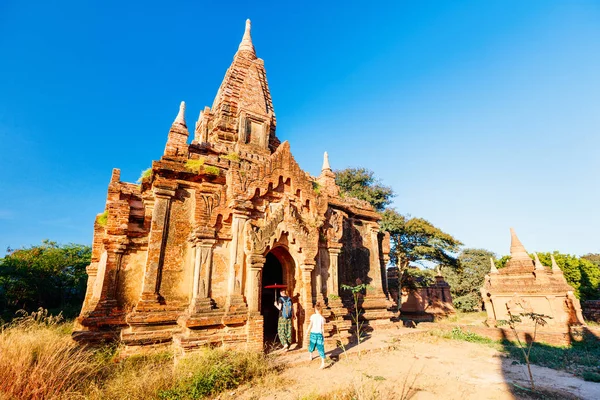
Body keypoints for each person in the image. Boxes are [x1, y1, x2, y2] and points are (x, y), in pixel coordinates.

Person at [306, 302, 326, 369]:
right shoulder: (322, 318)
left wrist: (306, 332)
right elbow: (322, 328)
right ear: (320, 310)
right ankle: (323, 362)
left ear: (315, 309)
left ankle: (310, 356)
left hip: (313, 334)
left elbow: (310, 325)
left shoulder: (313, 316)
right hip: (319, 334)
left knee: (311, 345)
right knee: (321, 348)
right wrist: (323, 336)